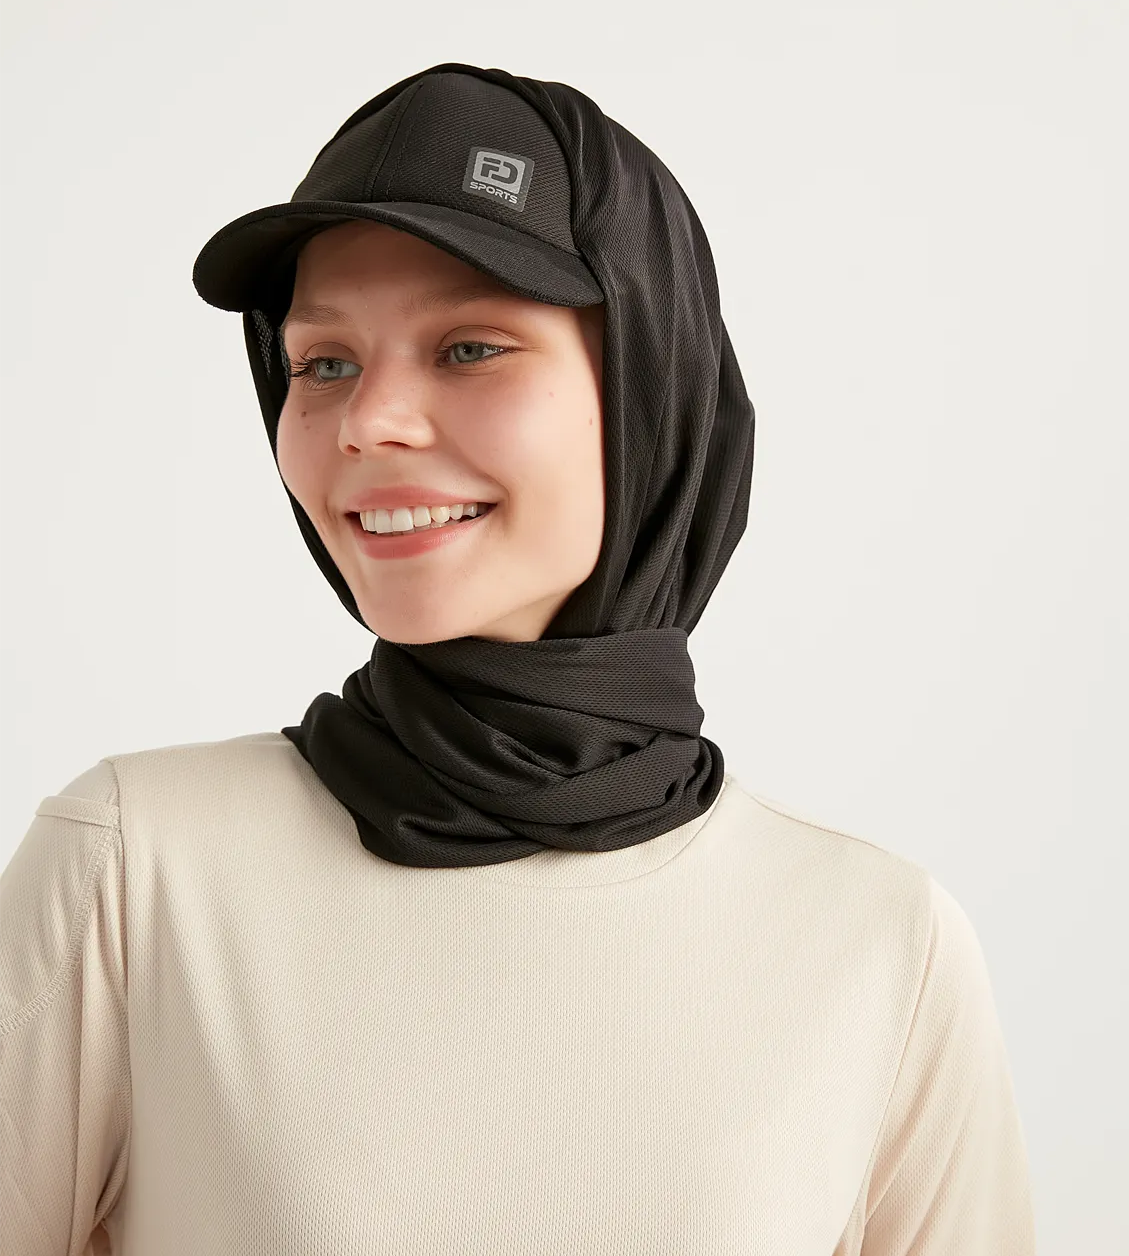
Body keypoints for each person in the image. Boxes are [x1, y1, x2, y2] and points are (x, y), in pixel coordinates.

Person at [0, 62, 1037, 1254]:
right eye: (324, 362)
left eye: (468, 348)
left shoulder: (879, 942)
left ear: (649, 386)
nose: (367, 421)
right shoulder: (134, 870)